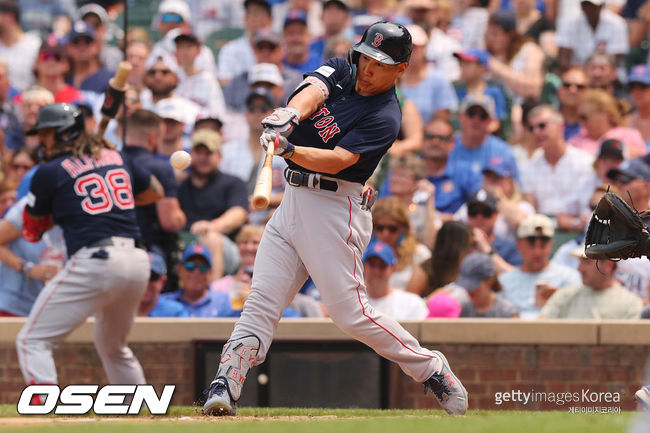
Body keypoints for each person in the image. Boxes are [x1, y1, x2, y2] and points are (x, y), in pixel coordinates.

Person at [203, 21, 467, 417]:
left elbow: (339, 161)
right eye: (366, 57)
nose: (367, 68)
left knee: (351, 314)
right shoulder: (343, 70)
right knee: (261, 300)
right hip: (292, 199)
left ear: (400, 68)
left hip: (334, 207)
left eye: (380, 63)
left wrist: (288, 148)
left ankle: (431, 368)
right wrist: (290, 114)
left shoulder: (386, 116)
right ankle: (226, 381)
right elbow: (313, 91)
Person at [16, 103, 164, 390]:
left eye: (46, 133)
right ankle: (143, 415)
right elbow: (155, 191)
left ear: (64, 133)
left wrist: (60, 213)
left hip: (97, 260)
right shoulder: (118, 157)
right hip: (137, 262)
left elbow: (31, 232)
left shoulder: (48, 172)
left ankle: (43, 412)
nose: (41, 140)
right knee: (113, 346)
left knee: (32, 340)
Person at [498, 214, 581, 319]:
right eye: (531, 245)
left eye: (543, 245)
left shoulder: (569, 277)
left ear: (551, 245)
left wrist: (558, 297)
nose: (537, 252)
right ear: (518, 245)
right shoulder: (504, 281)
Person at [521, 104, 595, 219]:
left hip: (577, 227)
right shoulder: (529, 167)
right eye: (531, 128)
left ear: (560, 126)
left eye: (542, 126)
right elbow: (529, 209)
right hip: (542, 229)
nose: (536, 132)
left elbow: (588, 206)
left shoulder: (584, 162)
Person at [541, 245, 643, 319]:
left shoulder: (630, 304)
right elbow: (539, 329)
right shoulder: (564, 296)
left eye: (586, 262)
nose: (579, 268)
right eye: (580, 262)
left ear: (608, 265)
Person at [371, 196, 431, 290]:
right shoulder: (366, 253)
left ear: (403, 228)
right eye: (380, 227)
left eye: (392, 228)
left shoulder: (420, 254)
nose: (385, 234)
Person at [363, 241, 428, 320]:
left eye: (382, 266)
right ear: (363, 266)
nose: (376, 271)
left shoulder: (412, 303)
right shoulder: (353, 302)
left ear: (393, 269)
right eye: (372, 264)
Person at [456, 252, 518, 318]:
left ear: (489, 281)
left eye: (473, 285)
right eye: (465, 285)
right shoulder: (461, 309)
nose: (469, 290)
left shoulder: (507, 312)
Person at [137, 252, 188, 317]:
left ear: (163, 281)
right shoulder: (121, 308)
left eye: (152, 277)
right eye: (141, 276)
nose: (146, 282)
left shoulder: (175, 313)